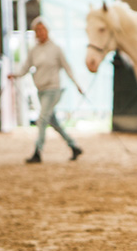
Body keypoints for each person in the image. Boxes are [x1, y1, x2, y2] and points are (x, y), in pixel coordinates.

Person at [9, 17, 84, 163]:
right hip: (41, 91)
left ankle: (38, 152)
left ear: (47, 31)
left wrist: (77, 85)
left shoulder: (56, 49)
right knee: (52, 121)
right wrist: (15, 75)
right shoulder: (34, 51)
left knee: (42, 119)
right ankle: (74, 146)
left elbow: (67, 68)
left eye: (42, 29)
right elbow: (25, 68)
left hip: (53, 90)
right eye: (37, 30)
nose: (40, 32)